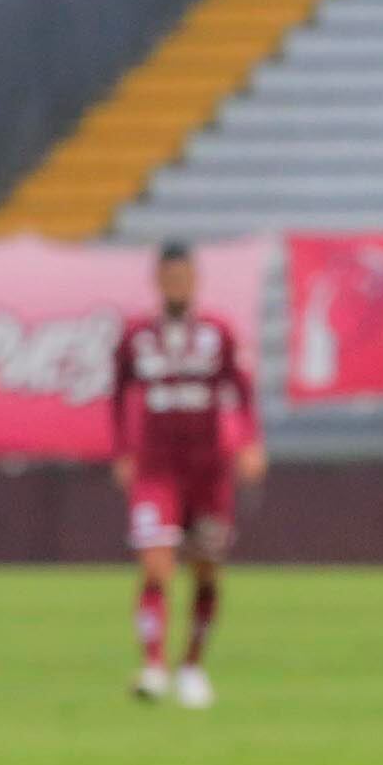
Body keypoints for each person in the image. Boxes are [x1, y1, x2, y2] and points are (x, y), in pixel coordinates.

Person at [111, 239, 264, 708]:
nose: (177, 285)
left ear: (195, 280)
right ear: (158, 281)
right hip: (157, 468)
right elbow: (118, 394)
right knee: (156, 565)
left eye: (184, 277)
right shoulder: (137, 336)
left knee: (206, 570)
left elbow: (242, 391)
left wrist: (250, 442)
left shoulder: (217, 333)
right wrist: (122, 450)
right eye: (170, 277)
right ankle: (154, 665)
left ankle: (193, 667)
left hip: (208, 470)